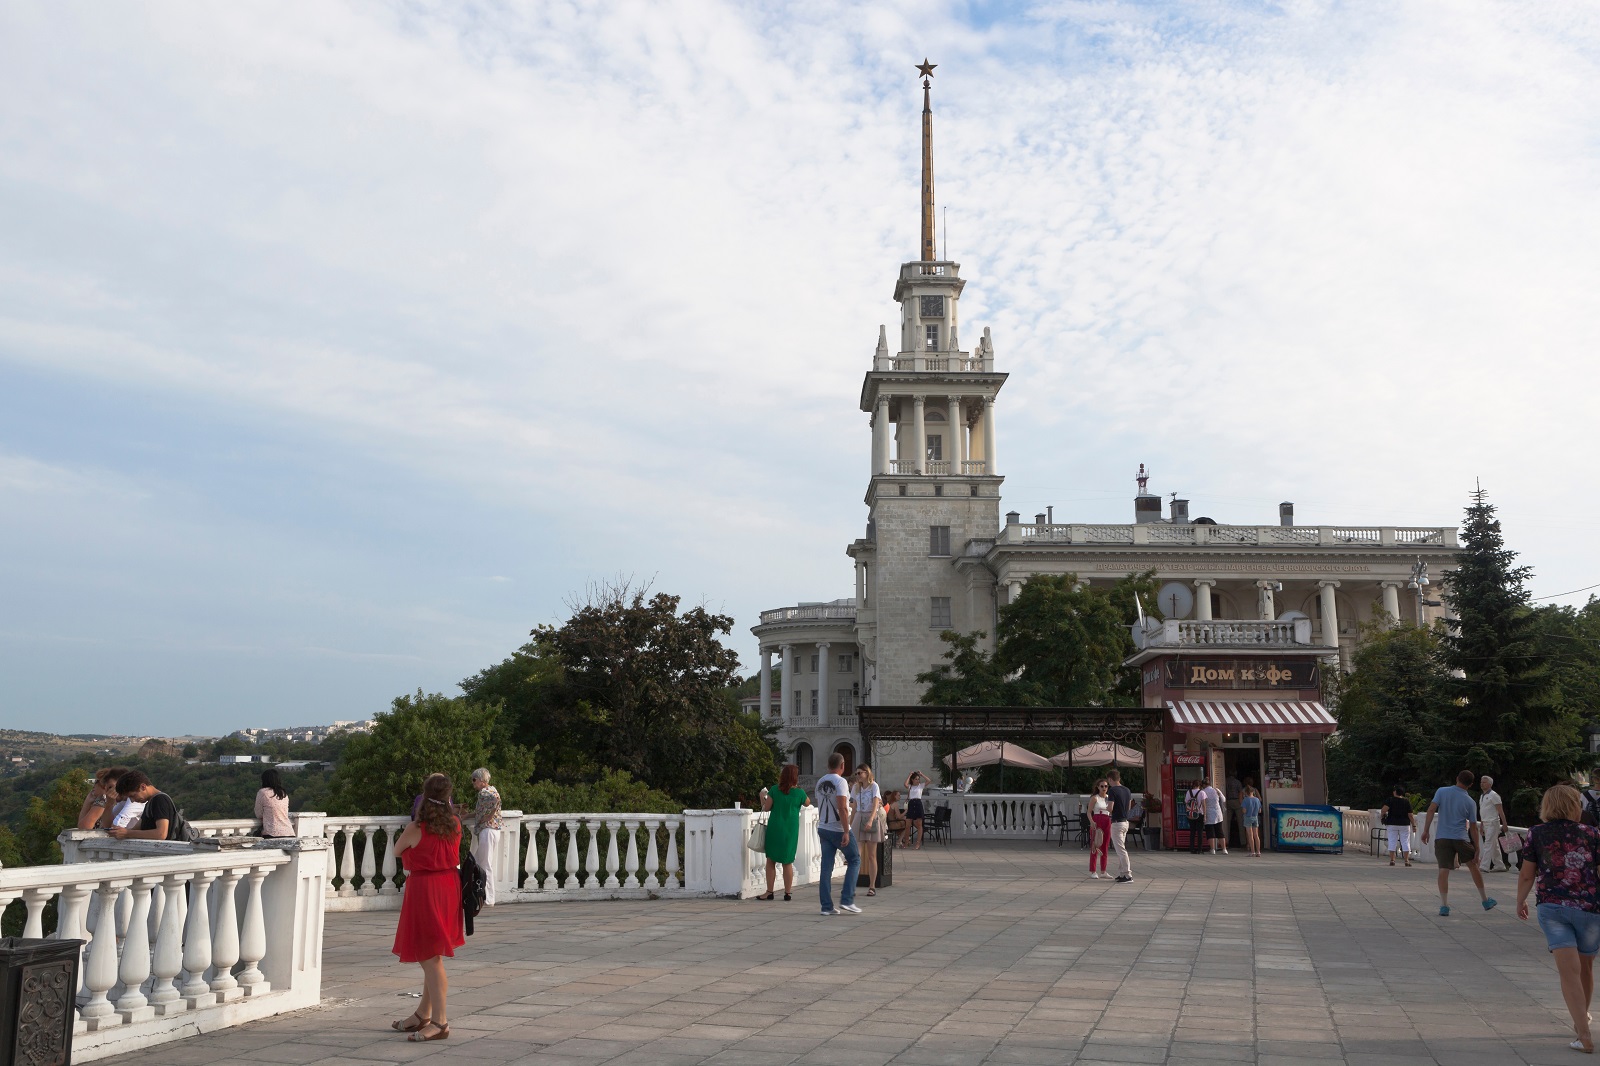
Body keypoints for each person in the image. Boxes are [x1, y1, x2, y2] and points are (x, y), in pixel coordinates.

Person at [1516, 784, 1600, 1054]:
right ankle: (1581, 1023)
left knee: (1568, 973)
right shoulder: (1593, 834)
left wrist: (1520, 901)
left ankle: (1584, 1035)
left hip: (1553, 908)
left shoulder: (1536, 834)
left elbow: (1527, 874)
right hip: (1589, 909)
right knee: (1585, 969)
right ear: (1576, 806)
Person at [391, 773, 465, 1042]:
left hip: (426, 890)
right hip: (449, 888)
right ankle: (423, 1014)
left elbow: (397, 851)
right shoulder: (455, 823)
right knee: (433, 955)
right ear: (449, 797)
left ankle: (440, 1022)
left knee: (430, 958)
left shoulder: (416, 828)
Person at [1422, 769, 1497, 917]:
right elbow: (1474, 828)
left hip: (1442, 838)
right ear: (1470, 785)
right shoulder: (1470, 802)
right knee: (1473, 867)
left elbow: (1431, 810)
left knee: (1443, 870)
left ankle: (1444, 905)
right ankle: (1484, 900)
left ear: (1457, 778)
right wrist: (1477, 848)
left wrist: (1426, 830)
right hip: (1461, 838)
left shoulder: (1442, 791)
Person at [817, 753, 860, 915]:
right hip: (837, 829)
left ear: (828, 765)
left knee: (826, 868)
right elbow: (842, 808)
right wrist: (846, 830)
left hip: (823, 827)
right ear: (842, 765)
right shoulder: (841, 782)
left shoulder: (820, 781)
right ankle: (847, 899)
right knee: (855, 859)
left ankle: (826, 907)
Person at [759, 764, 809, 900]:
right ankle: (787, 893)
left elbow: (767, 808)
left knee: (771, 860)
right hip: (791, 830)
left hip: (775, 828)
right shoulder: (800, 793)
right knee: (787, 861)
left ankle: (769, 892)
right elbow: (807, 803)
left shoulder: (775, 790)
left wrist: (763, 796)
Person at [107, 771, 180, 841]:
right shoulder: (150, 803)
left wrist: (127, 833)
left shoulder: (160, 800)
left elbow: (161, 834)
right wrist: (120, 832)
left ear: (143, 787)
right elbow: (137, 829)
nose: (132, 800)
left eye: (133, 796)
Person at [467, 769, 503, 906]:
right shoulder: (491, 790)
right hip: (491, 830)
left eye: (474, 780)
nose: (473, 783)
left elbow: (496, 800)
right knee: (478, 862)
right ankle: (484, 895)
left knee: (484, 864)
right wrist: (467, 815)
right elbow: (480, 812)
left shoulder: (485, 792)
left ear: (482, 780)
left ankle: (489, 899)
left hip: (488, 831)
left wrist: (490, 815)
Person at [852, 766, 885, 896]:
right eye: (856, 773)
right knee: (856, 855)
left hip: (870, 816)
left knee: (872, 855)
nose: (858, 775)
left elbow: (876, 803)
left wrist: (871, 820)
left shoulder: (874, 786)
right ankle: (852, 886)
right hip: (859, 816)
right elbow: (854, 806)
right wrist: (850, 825)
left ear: (867, 773)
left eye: (860, 773)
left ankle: (872, 886)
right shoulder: (856, 787)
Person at [1106, 769, 1134, 884]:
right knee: (1121, 848)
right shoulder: (1127, 790)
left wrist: (1107, 809)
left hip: (1117, 822)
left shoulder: (1113, 790)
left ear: (1110, 779)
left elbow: (1110, 807)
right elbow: (1128, 807)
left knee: (1120, 850)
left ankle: (1127, 874)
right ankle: (1122, 873)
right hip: (1125, 822)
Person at [1381, 785, 1416, 867]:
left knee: (1392, 841)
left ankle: (1392, 860)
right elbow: (1410, 815)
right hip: (1404, 824)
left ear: (1395, 792)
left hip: (1392, 823)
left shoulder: (1390, 800)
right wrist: (1414, 825)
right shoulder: (1406, 801)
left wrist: (1383, 816)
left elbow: (1383, 810)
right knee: (1405, 841)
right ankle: (1406, 860)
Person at [1479, 775, 1508, 873]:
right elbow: (1483, 812)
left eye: (1484, 782)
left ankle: (1484, 866)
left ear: (1490, 784)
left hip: (1493, 823)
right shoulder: (1482, 796)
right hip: (1486, 823)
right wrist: (1482, 825)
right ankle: (1499, 865)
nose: (1482, 784)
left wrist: (1504, 824)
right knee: (1494, 845)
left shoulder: (1494, 795)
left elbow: (1500, 811)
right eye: (1481, 782)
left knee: (1488, 843)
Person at [256, 768, 294, 837]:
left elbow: (258, 814)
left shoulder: (263, 793)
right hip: (289, 832)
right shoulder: (283, 794)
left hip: (272, 833)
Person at [1196, 775, 1227, 855]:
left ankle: (1212, 849)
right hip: (1218, 813)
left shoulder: (1203, 792)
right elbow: (1224, 799)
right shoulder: (1216, 790)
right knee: (1220, 831)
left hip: (1208, 813)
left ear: (1203, 785)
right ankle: (1224, 849)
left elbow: (1200, 803)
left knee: (1210, 832)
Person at [1088, 779, 1112, 880]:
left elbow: (1111, 810)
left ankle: (1103, 870)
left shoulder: (1109, 798)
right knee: (1095, 845)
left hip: (1107, 820)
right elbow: (1089, 812)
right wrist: (1092, 822)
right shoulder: (1095, 798)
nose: (1104, 788)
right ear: (1098, 787)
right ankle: (1093, 870)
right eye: (1102, 786)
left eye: (1106, 786)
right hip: (1097, 819)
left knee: (1105, 845)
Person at [902, 771, 928, 849]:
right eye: (916, 779)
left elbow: (929, 780)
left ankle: (917, 843)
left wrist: (922, 774)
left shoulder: (921, 786)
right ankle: (906, 842)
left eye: (918, 779)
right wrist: (909, 775)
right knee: (908, 825)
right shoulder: (910, 786)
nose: (918, 780)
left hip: (918, 803)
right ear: (912, 780)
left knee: (919, 825)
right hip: (911, 803)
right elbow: (905, 784)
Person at [1240, 785, 1263, 857]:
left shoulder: (1245, 800)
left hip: (1248, 817)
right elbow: (1259, 811)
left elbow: (1244, 811)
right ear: (1253, 792)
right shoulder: (1257, 800)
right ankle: (1258, 852)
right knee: (1256, 835)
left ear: (1246, 793)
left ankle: (1252, 851)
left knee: (1250, 835)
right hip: (1255, 817)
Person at [1225, 771, 1243, 849]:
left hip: (1228, 801)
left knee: (1227, 822)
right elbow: (1240, 792)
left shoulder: (1225, 781)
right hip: (1236, 801)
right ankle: (1243, 841)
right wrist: (1240, 802)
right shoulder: (1237, 782)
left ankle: (1227, 841)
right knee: (1240, 822)